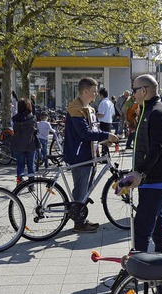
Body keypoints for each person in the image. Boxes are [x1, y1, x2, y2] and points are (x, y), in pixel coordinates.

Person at [123, 74, 162, 253]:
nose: (133, 95)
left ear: (144, 90)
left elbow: (157, 148)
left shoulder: (158, 113)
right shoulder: (148, 110)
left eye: (134, 90)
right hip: (152, 178)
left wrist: (140, 172)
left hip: (157, 179)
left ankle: (139, 271)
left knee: (142, 227)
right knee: (156, 225)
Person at [64, 77, 119, 232]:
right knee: (81, 190)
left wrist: (103, 140)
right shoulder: (76, 109)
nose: (96, 95)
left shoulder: (88, 108)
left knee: (85, 190)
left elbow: (93, 131)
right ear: (85, 91)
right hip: (80, 155)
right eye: (94, 92)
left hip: (90, 154)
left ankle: (81, 217)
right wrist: (106, 135)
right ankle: (78, 223)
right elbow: (85, 133)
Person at [11, 98, 37, 182]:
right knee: (30, 166)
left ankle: (19, 184)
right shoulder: (32, 118)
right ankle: (31, 184)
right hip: (30, 144)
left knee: (20, 166)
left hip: (18, 145)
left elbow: (13, 130)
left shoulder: (14, 119)